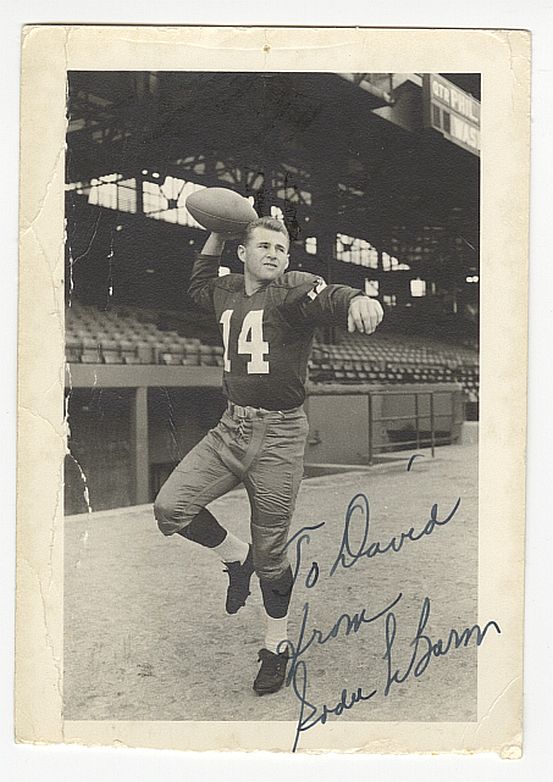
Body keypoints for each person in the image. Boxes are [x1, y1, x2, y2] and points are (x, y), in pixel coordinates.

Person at [154, 216, 384, 695]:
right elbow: (199, 279)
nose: (274, 254)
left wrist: (359, 299)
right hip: (231, 426)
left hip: (280, 436)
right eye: (263, 246)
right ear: (243, 252)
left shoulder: (293, 289)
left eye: (281, 248)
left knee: (274, 550)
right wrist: (219, 226)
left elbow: (330, 295)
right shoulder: (226, 289)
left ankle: (275, 645)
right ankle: (237, 558)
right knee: (170, 507)